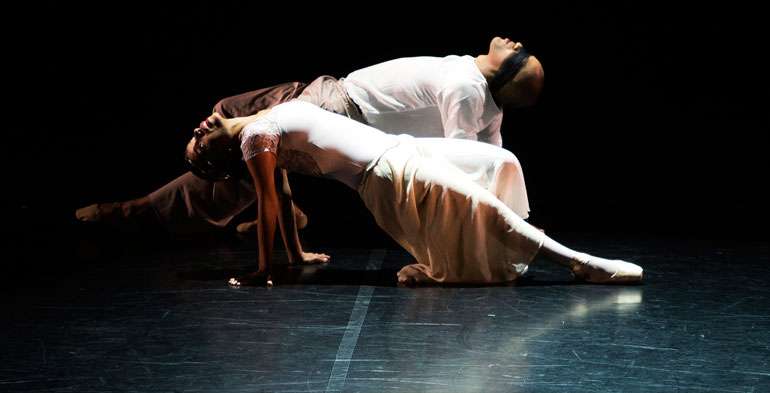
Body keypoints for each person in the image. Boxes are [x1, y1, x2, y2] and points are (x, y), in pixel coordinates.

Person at [76, 37, 545, 234]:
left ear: (507, 72)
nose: (518, 43)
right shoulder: (481, 96)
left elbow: (461, 158)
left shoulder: (466, 90)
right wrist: (516, 217)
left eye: (520, 55)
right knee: (243, 141)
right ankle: (279, 210)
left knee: (233, 126)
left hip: (333, 106)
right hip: (334, 101)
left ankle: (137, 209)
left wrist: (503, 222)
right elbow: (491, 158)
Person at [185, 100, 642, 285]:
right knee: (479, 205)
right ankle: (580, 264)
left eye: (197, 132)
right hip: (385, 175)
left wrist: (297, 255)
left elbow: (283, 199)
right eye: (199, 143)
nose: (200, 129)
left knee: (502, 161)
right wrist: (265, 268)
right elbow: (269, 200)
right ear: (219, 158)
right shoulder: (252, 141)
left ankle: (514, 238)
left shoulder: (260, 120)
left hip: (402, 148)